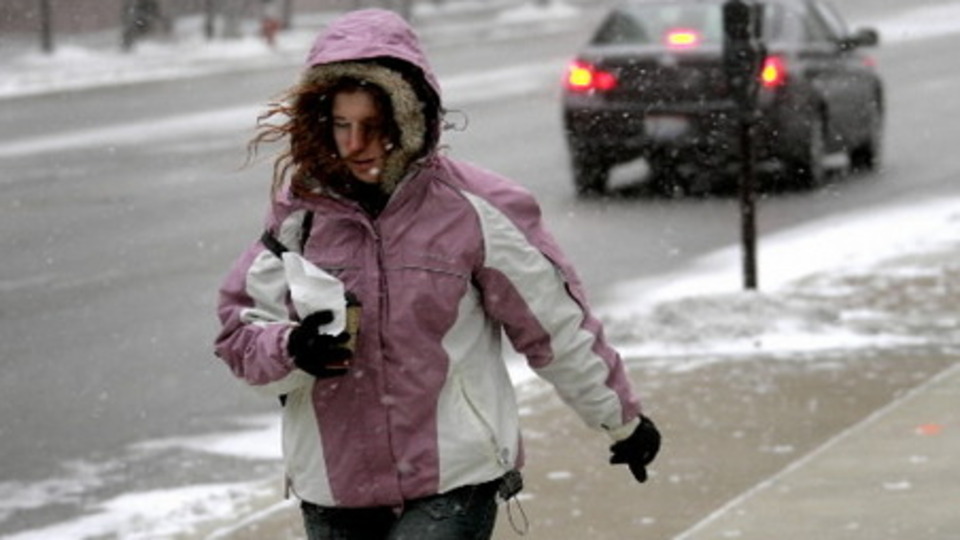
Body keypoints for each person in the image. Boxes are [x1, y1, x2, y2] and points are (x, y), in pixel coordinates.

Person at [214, 8, 660, 539]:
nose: (353, 144)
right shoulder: (300, 217)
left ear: (409, 118)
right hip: (335, 487)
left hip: (454, 479)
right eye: (340, 125)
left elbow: (555, 324)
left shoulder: (475, 210)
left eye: (372, 127)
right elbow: (239, 333)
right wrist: (295, 349)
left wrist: (620, 420)